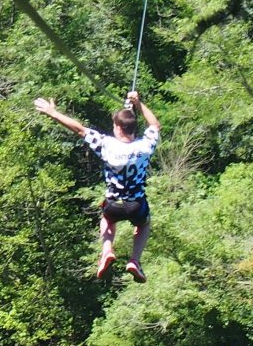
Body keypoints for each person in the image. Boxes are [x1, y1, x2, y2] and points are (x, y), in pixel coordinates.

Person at [34, 91, 160, 282]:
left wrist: (53, 113)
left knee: (107, 220)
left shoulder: (106, 145)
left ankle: (107, 250)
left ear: (118, 128)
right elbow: (154, 125)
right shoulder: (144, 147)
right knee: (144, 224)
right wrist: (139, 103)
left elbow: (79, 129)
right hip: (136, 204)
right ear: (133, 128)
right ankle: (135, 260)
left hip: (113, 204)